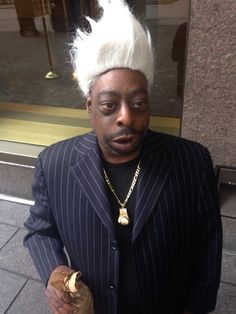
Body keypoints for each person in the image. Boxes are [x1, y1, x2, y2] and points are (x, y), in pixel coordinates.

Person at [24, 1, 222, 313]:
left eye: (139, 103)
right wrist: (54, 270)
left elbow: (207, 251)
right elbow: (39, 229)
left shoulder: (191, 163)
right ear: (90, 106)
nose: (125, 117)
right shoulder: (54, 165)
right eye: (109, 105)